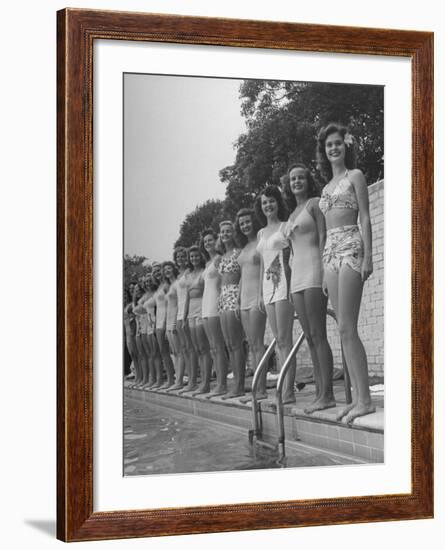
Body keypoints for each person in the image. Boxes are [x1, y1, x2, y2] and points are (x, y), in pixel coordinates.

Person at [316, 122, 375, 423]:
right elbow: (325, 232)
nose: (334, 148)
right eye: (329, 145)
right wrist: (324, 268)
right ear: (324, 151)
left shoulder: (356, 176)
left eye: (338, 143)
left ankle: (364, 400)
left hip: (352, 246)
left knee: (348, 327)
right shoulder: (325, 189)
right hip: (331, 255)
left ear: (345, 146)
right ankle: (357, 399)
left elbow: (365, 216)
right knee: (341, 329)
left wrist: (368, 255)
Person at [283, 163, 335, 413]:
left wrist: (326, 272)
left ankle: (328, 394)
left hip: (315, 271)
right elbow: (290, 253)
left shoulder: (315, 203)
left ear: (307, 180)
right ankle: (319, 392)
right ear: (289, 183)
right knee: (309, 340)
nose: (297, 181)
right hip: (297, 279)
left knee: (318, 335)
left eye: (301, 177)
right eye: (293, 178)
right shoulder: (291, 213)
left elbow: (324, 237)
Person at [255, 185, 295, 404]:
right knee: (278, 339)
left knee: (285, 339)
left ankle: (288, 391)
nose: (268, 205)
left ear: (278, 202)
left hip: (284, 285)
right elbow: (262, 264)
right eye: (264, 202)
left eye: (271, 200)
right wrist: (260, 294)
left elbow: (291, 258)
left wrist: (290, 287)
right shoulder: (261, 233)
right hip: (267, 287)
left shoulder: (285, 226)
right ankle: (284, 387)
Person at [234, 209, 268, 402]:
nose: (245, 225)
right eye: (242, 223)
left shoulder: (260, 241)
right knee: (251, 344)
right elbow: (242, 277)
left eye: (247, 222)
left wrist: (262, 295)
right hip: (244, 300)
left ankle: (261, 389)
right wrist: (238, 300)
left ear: (253, 222)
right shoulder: (245, 247)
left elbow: (264, 269)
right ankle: (257, 387)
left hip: (256, 298)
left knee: (257, 344)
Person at [217, 220, 246, 399]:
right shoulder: (222, 256)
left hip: (234, 294)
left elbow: (244, 275)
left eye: (228, 231)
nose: (225, 234)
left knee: (236, 344)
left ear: (233, 233)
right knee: (229, 345)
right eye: (223, 231)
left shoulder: (239, 253)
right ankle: (235, 384)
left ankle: (240, 385)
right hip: (222, 297)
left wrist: (239, 299)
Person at [200, 228, 228, 398]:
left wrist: (221, 301)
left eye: (210, 240)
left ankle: (222, 384)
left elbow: (224, 280)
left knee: (218, 346)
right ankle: (218, 383)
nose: (208, 243)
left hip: (215, 304)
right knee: (213, 348)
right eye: (205, 242)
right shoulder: (207, 263)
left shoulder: (218, 259)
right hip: (205, 305)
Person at [185, 245, 213, 396]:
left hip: (202, 307)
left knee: (204, 348)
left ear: (200, 256)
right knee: (197, 349)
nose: (194, 259)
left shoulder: (204, 271)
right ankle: (201, 381)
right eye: (192, 257)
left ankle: (206, 382)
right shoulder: (188, 274)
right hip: (191, 311)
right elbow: (187, 298)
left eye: (196, 256)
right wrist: (184, 316)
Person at [175, 247, 199, 393]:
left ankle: (193, 380)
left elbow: (190, 295)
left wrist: (184, 315)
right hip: (179, 312)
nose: (181, 258)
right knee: (184, 349)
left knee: (191, 348)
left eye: (183, 256)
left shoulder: (189, 273)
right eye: (178, 256)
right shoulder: (178, 275)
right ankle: (189, 379)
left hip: (188, 311)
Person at [152, 262, 175, 389]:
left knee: (168, 351)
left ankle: (172, 379)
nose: (157, 273)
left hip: (166, 321)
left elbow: (170, 303)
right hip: (158, 323)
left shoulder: (166, 285)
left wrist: (167, 323)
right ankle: (171, 378)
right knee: (163, 352)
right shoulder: (159, 286)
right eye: (154, 271)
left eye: (158, 270)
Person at [162, 261, 184, 391]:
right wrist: (167, 327)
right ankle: (177, 379)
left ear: (174, 269)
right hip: (169, 323)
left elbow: (179, 304)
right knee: (175, 352)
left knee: (179, 352)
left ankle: (179, 380)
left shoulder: (177, 283)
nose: (167, 271)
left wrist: (175, 323)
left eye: (169, 268)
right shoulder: (170, 286)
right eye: (165, 270)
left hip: (175, 321)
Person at [123, 287, 139, 381]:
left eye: (125, 294)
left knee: (136, 353)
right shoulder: (124, 306)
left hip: (132, 331)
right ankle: (136, 373)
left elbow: (134, 318)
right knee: (132, 354)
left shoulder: (130, 305)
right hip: (127, 332)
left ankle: (138, 374)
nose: (124, 296)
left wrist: (133, 332)